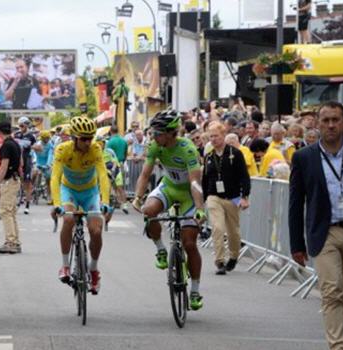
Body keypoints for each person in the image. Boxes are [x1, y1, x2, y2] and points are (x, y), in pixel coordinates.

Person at [289, 101, 343, 350]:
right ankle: (337, 346)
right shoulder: (304, 157)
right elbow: (296, 203)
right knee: (332, 291)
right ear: (317, 123)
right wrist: (297, 243)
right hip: (324, 233)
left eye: (335, 120)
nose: (330, 125)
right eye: (325, 120)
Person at [132, 110, 206, 311]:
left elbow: (195, 183)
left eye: (158, 133)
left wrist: (200, 209)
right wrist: (138, 198)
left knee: (190, 243)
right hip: (169, 187)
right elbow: (145, 174)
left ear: (171, 133)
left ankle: (195, 291)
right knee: (149, 211)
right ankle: (161, 250)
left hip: (189, 195)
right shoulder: (155, 146)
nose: (154, 136)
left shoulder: (188, 149)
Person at [51, 116, 110, 294]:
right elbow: (55, 177)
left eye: (90, 138)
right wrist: (56, 204)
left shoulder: (95, 149)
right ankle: (65, 266)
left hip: (90, 192)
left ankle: (93, 269)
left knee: (96, 231)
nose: (87, 142)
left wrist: (105, 201)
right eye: (84, 138)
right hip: (69, 191)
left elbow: (103, 176)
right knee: (68, 221)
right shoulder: (62, 149)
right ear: (74, 137)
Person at [201, 122, 251, 275]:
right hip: (213, 196)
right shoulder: (209, 156)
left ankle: (234, 256)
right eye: (211, 136)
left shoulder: (235, 153)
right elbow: (205, 179)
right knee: (217, 227)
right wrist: (203, 199)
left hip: (232, 197)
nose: (213, 139)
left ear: (223, 136)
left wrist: (245, 197)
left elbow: (244, 176)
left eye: (216, 136)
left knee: (233, 232)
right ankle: (220, 261)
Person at [0, 121, 22, 254]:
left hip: (9, 180)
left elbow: (4, 166)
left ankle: (10, 242)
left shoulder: (6, 145)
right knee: (11, 212)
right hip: (16, 178)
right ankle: (15, 241)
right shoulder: (15, 143)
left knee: (5, 211)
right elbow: (21, 162)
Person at [14, 116, 37, 214]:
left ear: (26, 125)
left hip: (27, 159)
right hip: (17, 160)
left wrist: (32, 147)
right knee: (15, 181)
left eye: (22, 125)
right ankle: (16, 201)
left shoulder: (32, 136)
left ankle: (27, 205)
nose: (21, 127)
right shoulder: (16, 134)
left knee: (27, 183)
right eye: (19, 125)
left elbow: (38, 147)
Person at [106, 125, 130, 213]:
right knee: (120, 187)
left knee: (110, 186)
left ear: (111, 131)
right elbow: (126, 153)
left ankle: (108, 204)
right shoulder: (123, 141)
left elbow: (107, 154)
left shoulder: (110, 142)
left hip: (112, 165)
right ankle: (124, 204)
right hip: (121, 164)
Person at [33, 130, 54, 203]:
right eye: (45, 138)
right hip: (38, 162)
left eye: (48, 138)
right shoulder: (38, 144)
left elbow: (50, 155)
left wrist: (48, 164)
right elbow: (34, 153)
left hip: (46, 163)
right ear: (42, 138)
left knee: (49, 178)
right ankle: (32, 188)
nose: (46, 139)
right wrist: (35, 160)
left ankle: (49, 195)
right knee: (34, 173)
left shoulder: (50, 145)